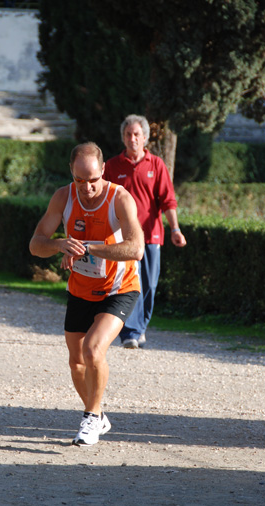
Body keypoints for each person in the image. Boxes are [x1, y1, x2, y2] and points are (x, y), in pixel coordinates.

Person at [29, 142, 144, 446]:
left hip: (119, 288)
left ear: (103, 171)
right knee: (76, 362)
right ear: (72, 173)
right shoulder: (63, 197)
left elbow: (136, 248)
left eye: (93, 180)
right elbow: (36, 243)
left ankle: (91, 418)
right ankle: (99, 415)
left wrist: (89, 249)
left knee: (94, 350)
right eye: (81, 180)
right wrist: (59, 245)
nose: (88, 187)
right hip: (80, 289)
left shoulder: (119, 199)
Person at [104, 114, 187, 349]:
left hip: (152, 236)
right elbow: (104, 200)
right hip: (124, 239)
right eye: (128, 134)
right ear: (123, 137)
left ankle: (141, 327)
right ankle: (130, 331)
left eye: (137, 134)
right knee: (131, 283)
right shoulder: (111, 166)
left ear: (145, 138)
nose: (132, 138)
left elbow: (168, 200)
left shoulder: (156, 165)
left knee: (150, 285)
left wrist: (175, 229)